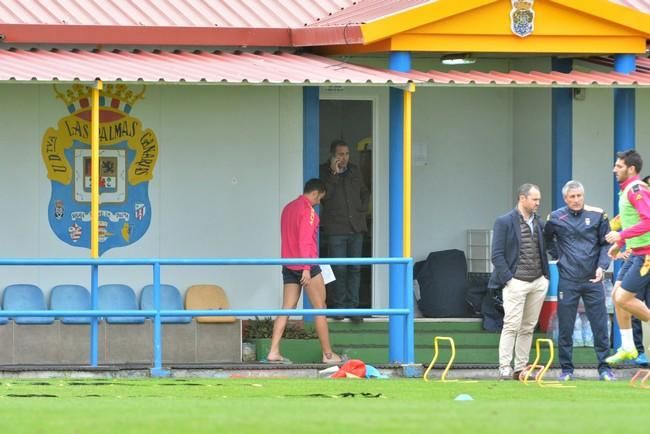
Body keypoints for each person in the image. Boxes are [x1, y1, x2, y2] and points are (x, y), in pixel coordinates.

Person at [265, 178, 344, 364]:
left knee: (286, 308)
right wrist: (307, 269)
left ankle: (273, 351)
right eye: (319, 199)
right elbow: (305, 241)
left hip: (289, 264)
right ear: (315, 193)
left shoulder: (288, 207)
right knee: (320, 307)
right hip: (306, 265)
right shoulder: (308, 211)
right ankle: (328, 355)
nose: (318, 203)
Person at [544, 180, 614, 381]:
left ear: (583, 196)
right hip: (568, 279)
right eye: (572, 197)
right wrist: (559, 257)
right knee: (566, 325)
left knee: (599, 324)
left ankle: (604, 368)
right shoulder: (556, 217)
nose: (576, 200)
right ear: (565, 198)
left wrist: (602, 267)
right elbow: (547, 239)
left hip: (593, 279)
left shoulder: (598, 215)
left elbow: (605, 244)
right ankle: (566, 370)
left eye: (579, 196)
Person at [489, 183, 549, 380]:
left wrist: (545, 278)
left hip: (537, 281)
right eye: (534, 199)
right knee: (511, 325)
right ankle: (504, 366)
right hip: (516, 282)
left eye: (538, 199)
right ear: (522, 198)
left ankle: (520, 368)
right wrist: (509, 279)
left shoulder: (539, 223)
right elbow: (497, 255)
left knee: (528, 326)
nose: (538, 203)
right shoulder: (504, 221)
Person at [605, 149, 650, 364]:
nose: (614, 169)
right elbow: (633, 220)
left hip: (647, 254)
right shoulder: (625, 191)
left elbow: (648, 220)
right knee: (616, 296)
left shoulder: (637, 189)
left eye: (619, 166)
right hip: (635, 252)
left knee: (624, 297)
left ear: (631, 169)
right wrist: (620, 244)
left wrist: (620, 235)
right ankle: (628, 347)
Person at [319, 139, 370, 321]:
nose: (345, 158)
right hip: (336, 228)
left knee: (355, 268)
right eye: (341, 154)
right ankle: (339, 307)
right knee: (338, 268)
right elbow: (325, 197)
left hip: (356, 227)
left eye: (347, 154)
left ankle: (353, 309)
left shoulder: (355, 170)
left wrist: (361, 210)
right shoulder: (323, 171)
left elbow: (364, 191)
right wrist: (334, 173)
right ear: (332, 155)